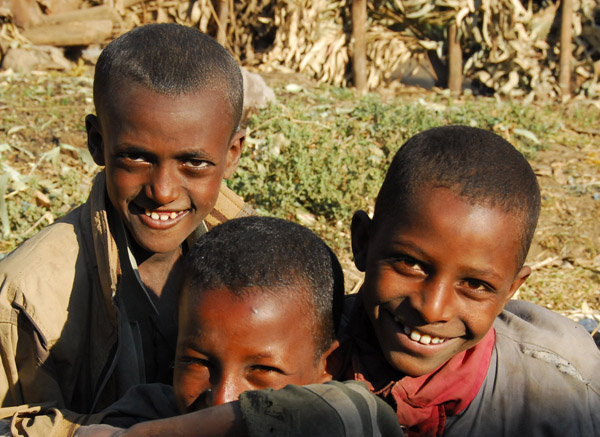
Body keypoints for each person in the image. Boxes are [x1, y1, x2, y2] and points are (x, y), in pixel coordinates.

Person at [83, 126, 600, 437]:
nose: (433, 307)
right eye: (411, 264)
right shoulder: (307, 340)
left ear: (513, 290)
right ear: (361, 243)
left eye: (476, 286)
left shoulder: (551, 395)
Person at [0, 22, 250, 424]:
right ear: (97, 142)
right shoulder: (28, 296)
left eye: (194, 162)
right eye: (136, 158)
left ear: (233, 152)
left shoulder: (261, 258)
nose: (163, 191)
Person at [76, 216, 403, 436]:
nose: (222, 397)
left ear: (328, 365)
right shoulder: (148, 410)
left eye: (261, 369)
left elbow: (358, 414)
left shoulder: (349, 415)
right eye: (197, 362)